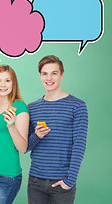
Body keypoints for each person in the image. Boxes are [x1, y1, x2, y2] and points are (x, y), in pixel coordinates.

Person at [26, 55, 88, 204]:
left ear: (62, 74)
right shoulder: (32, 108)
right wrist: (37, 136)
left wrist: (69, 180)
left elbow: (79, 145)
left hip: (62, 183)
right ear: (40, 75)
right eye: (45, 73)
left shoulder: (77, 106)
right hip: (35, 182)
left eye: (54, 73)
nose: (49, 78)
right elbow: (26, 146)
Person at [0, 65, 29, 204]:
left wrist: (11, 126)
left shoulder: (19, 107)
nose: (2, 85)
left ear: (13, 83)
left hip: (7, 176)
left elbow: (23, 148)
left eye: (7, 81)